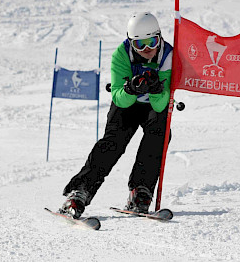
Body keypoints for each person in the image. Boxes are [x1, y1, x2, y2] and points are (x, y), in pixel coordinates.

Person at [60, 12, 172, 219]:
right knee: (113, 143)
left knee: (159, 136)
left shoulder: (168, 56)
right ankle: (80, 192)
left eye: (152, 41)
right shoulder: (121, 54)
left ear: (160, 37)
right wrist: (131, 89)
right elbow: (119, 99)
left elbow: (160, 104)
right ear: (131, 43)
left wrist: (156, 90)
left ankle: (140, 191)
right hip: (126, 105)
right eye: (140, 44)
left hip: (154, 107)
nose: (147, 49)